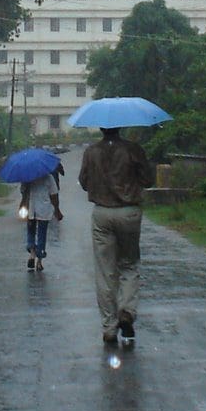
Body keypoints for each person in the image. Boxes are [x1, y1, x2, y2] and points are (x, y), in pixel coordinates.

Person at [78, 127, 154, 345]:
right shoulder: (133, 149)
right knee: (129, 265)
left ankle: (109, 327)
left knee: (105, 271)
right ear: (119, 127)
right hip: (129, 212)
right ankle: (127, 312)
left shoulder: (91, 152)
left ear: (101, 128)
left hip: (102, 212)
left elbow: (83, 182)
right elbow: (148, 180)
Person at [19, 169, 62, 271]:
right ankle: (39, 261)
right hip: (44, 209)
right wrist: (57, 210)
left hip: (31, 208)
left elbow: (23, 191)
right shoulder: (49, 177)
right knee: (42, 234)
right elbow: (54, 194)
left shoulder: (27, 177)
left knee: (31, 231)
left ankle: (32, 253)